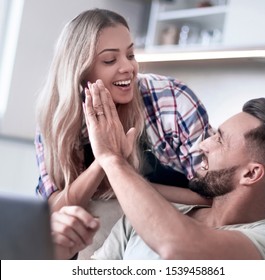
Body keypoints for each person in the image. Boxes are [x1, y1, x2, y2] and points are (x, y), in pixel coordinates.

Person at [52, 94, 265, 260]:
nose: (203, 145)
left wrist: (112, 159)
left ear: (251, 173)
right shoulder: (138, 221)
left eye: (219, 139)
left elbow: (179, 247)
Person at [35, 8, 212, 212]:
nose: (128, 67)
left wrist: (124, 183)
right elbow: (53, 210)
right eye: (110, 60)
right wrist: (106, 160)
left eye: (130, 54)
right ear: (80, 71)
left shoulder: (172, 99)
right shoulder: (56, 117)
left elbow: (213, 199)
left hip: (180, 217)